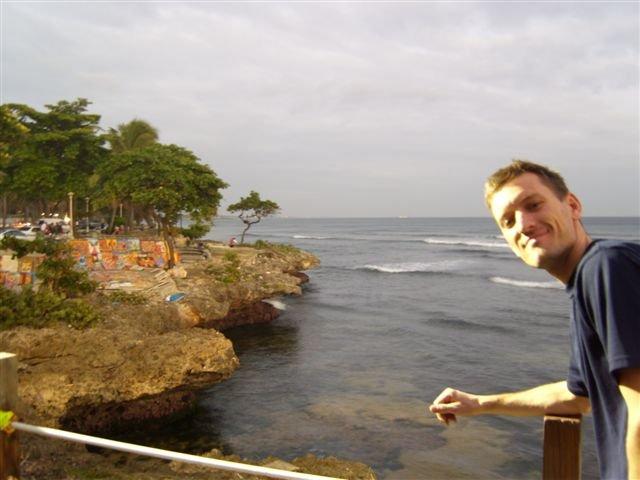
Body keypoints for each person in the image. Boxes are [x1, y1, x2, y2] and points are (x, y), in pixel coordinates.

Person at [429, 160, 640, 479]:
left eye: (533, 205)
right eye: (508, 221)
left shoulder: (605, 266)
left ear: (572, 206)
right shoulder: (588, 281)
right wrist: (481, 403)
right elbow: (578, 397)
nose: (524, 224)